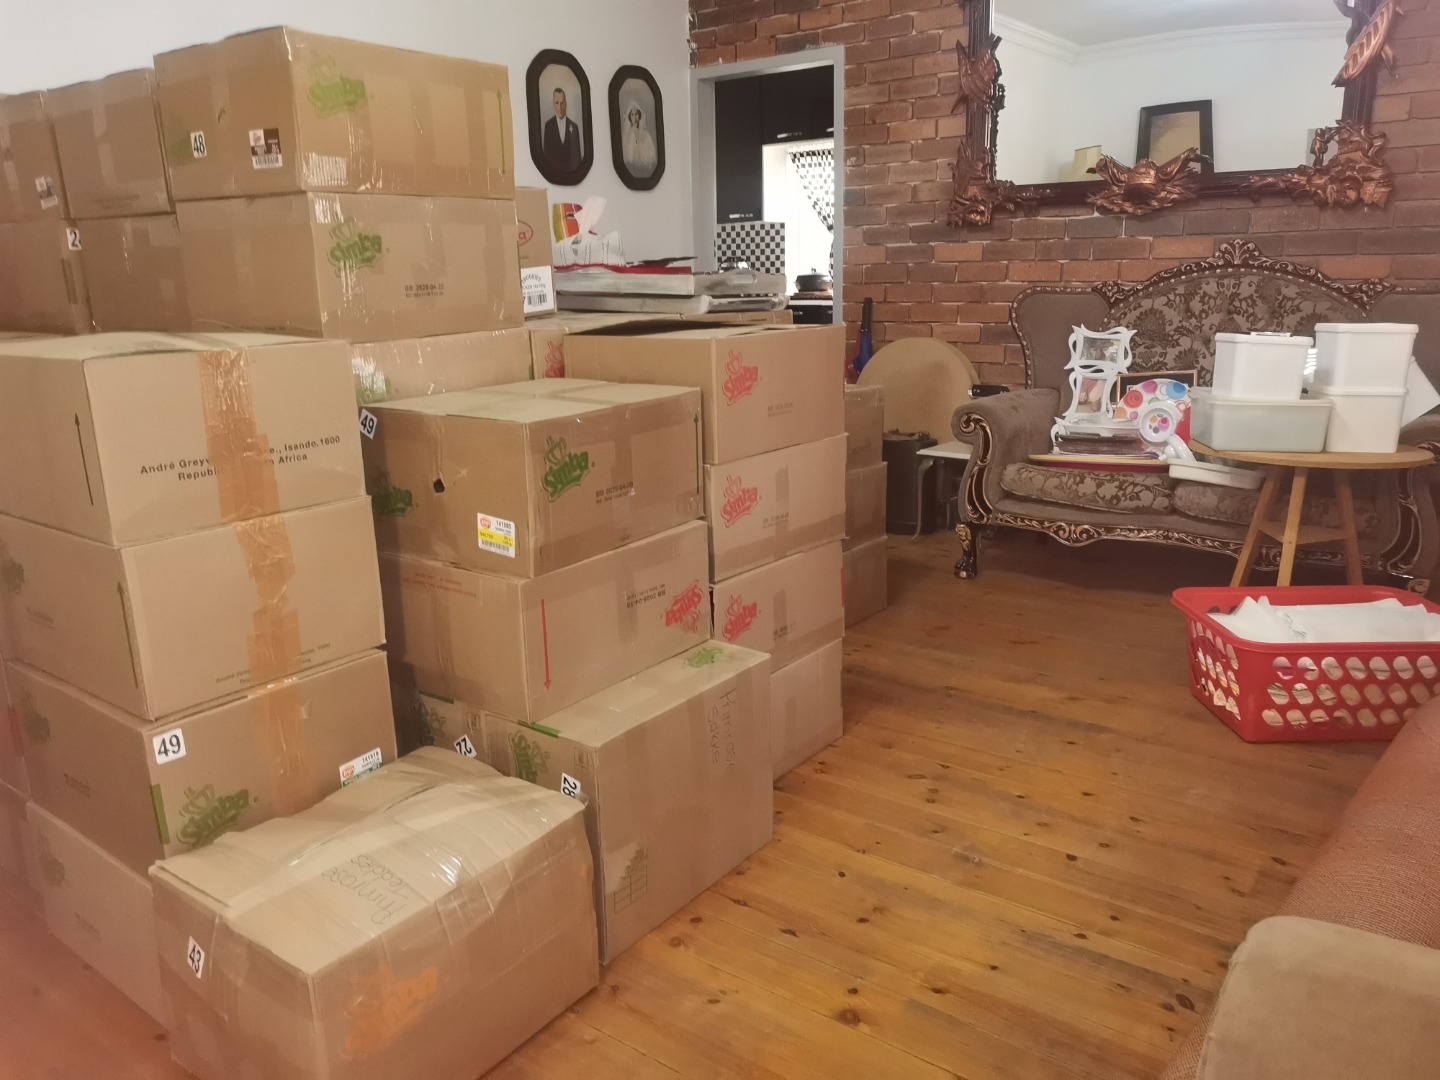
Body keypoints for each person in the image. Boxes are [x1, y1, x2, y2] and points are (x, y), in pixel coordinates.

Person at [543, 87, 582, 174]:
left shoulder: (574, 127)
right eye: (557, 103)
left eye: (562, 103)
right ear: (553, 104)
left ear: (566, 104)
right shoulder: (548, 126)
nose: (560, 107)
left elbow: (577, 158)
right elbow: (546, 157)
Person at [621, 102, 658, 178]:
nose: (635, 117)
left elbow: (650, 153)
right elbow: (628, 155)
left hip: (645, 167)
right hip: (632, 167)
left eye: (636, 114)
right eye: (632, 115)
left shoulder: (646, 134)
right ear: (629, 117)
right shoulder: (627, 135)